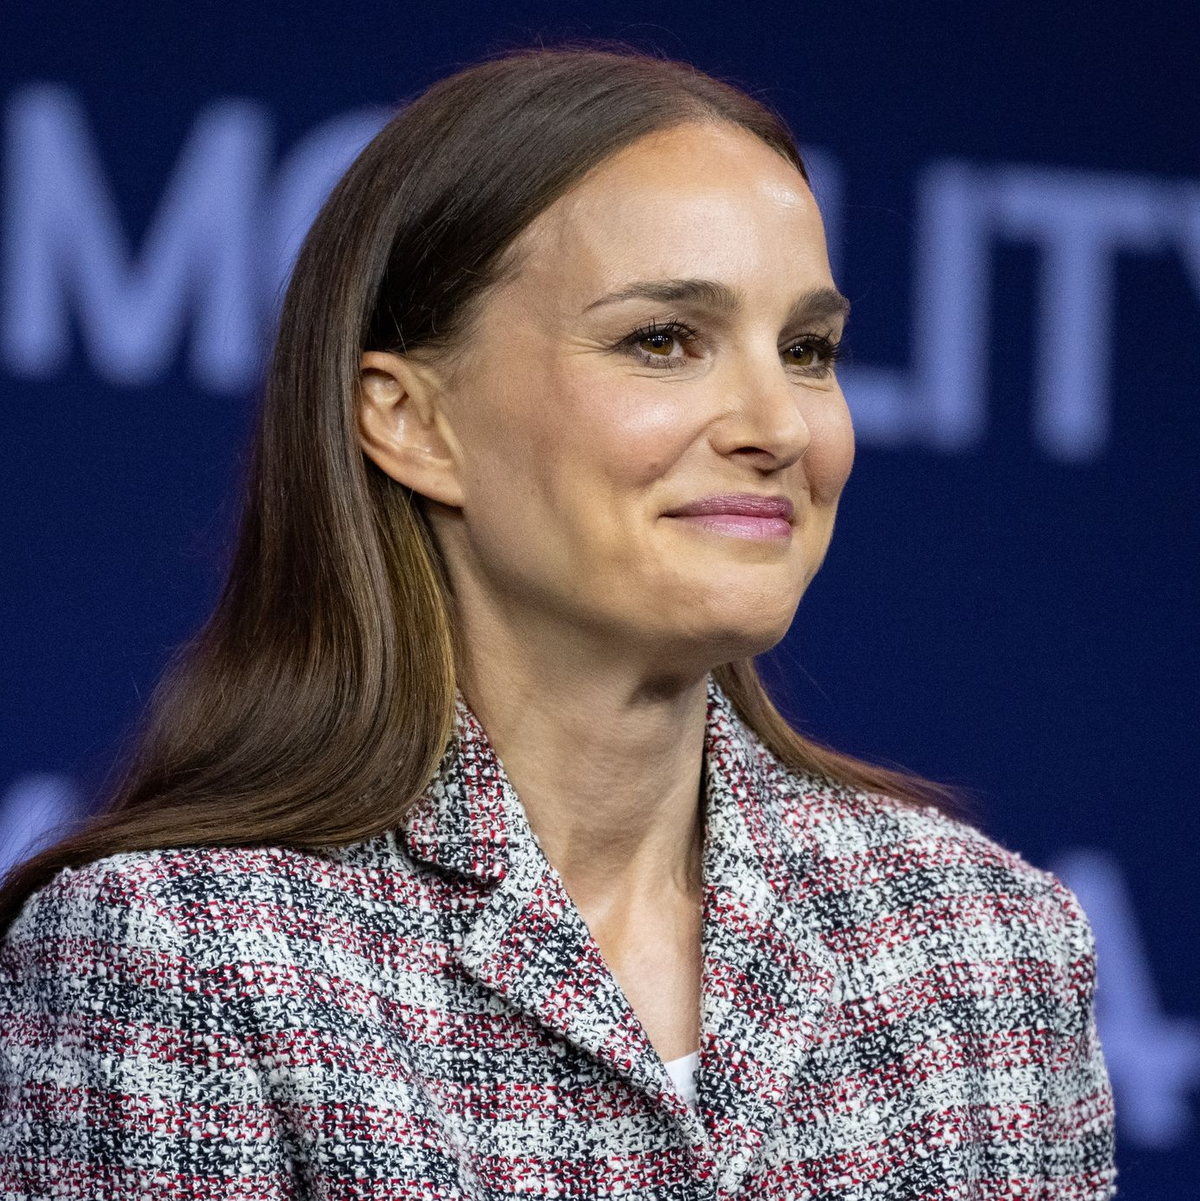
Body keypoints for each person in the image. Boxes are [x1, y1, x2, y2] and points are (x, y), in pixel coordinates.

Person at [0, 42, 1116, 1199]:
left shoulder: (986, 946)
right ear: (410, 422)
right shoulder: (181, 951)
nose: (778, 424)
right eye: (663, 341)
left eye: (807, 350)